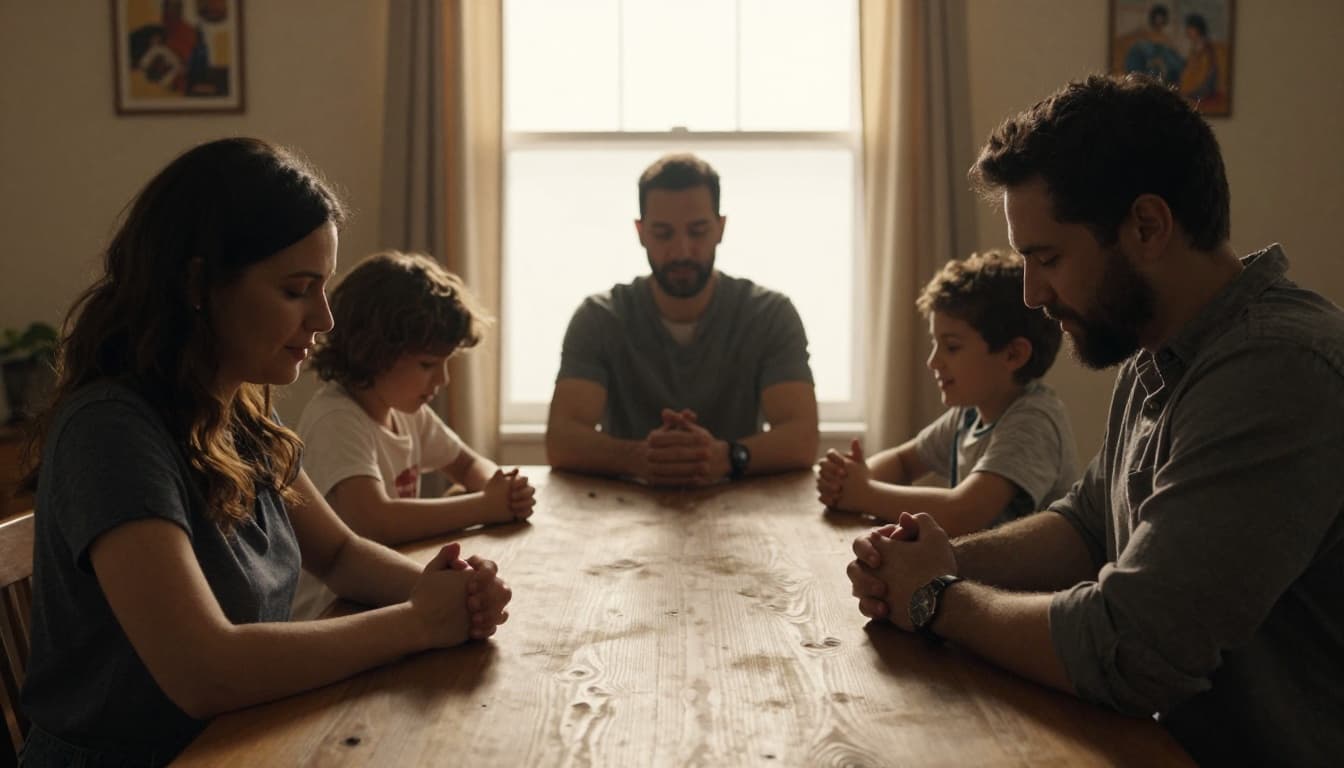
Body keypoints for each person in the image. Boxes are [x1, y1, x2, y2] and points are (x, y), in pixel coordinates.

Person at [845, 74, 1344, 766]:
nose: (1032, 292)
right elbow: (1086, 525)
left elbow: (1134, 648)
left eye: (1047, 258)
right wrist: (938, 557)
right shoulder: (1153, 353)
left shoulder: (1278, 371)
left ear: (1147, 226)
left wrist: (937, 597)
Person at [17, 138, 512, 766]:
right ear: (198, 282)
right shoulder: (111, 430)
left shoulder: (238, 409)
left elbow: (339, 553)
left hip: (246, 737)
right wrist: (418, 623)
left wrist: (451, 595)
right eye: (297, 290)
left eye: (324, 287)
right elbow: (204, 671)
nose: (325, 318)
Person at [545, 153, 819, 486]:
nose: (682, 251)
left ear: (720, 228)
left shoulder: (770, 315)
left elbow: (802, 438)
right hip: (623, 512)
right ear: (640, 231)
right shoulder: (599, 318)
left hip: (742, 511)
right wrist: (640, 458)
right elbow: (561, 441)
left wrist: (726, 457)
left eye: (698, 231)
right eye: (663, 233)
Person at [292, 250, 535, 619]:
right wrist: (486, 506)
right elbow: (374, 520)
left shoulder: (407, 414)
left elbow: (468, 463)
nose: (442, 381)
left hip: (386, 595)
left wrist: (499, 486)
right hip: (333, 613)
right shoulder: (336, 418)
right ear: (373, 351)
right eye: (427, 365)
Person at [816, 250, 1077, 537]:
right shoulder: (969, 415)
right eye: (935, 344)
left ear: (1013, 354)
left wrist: (863, 492)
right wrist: (850, 479)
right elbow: (904, 462)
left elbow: (962, 512)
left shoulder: (1034, 423)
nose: (933, 361)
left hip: (1030, 583)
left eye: (951, 347)